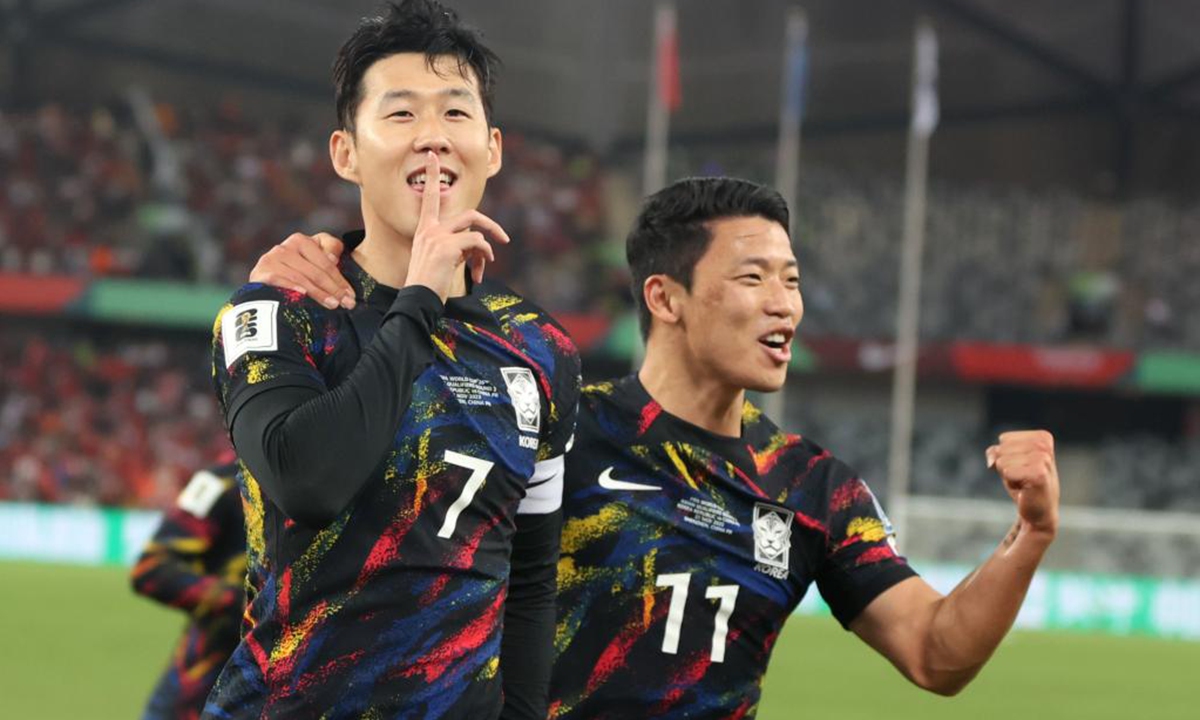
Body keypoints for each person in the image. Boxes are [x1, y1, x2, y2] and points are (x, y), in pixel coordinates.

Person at [256, 177, 1059, 718]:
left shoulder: (813, 488)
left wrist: (1029, 535)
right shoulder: (550, 426)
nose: (785, 304)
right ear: (665, 297)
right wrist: (324, 264)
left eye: (793, 279)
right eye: (753, 278)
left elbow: (936, 653)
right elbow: (369, 478)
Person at [206, 2, 580, 718]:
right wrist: (419, 302)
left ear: (493, 149)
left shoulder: (542, 351)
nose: (433, 140)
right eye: (402, 115)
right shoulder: (278, 312)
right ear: (346, 152)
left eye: (456, 115)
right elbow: (306, 479)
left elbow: (532, 578)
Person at [131, 460, 246, 720]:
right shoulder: (221, 482)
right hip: (207, 683)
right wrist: (244, 602)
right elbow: (151, 569)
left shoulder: (343, 482)